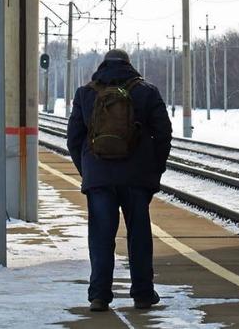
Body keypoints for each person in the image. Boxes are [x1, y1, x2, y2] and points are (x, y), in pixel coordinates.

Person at [66, 48, 173, 312]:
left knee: (101, 237)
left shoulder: (85, 93)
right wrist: (154, 171)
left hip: (99, 177)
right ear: (129, 64)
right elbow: (163, 134)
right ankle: (143, 294)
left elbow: (73, 139)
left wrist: (88, 172)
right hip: (136, 177)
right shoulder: (146, 92)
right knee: (139, 235)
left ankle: (99, 296)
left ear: (103, 65)